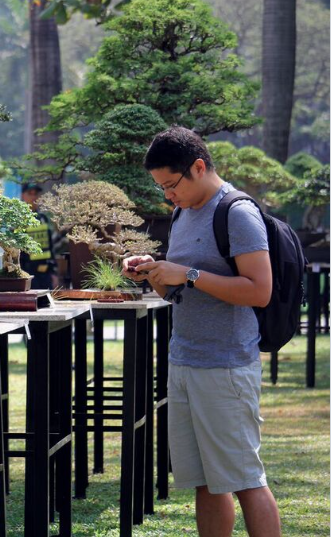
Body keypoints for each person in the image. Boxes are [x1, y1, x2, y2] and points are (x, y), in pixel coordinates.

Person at [122, 126, 281, 537]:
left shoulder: (237, 213)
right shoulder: (182, 213)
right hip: (185, 359)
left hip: (225, 366)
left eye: (171, 185)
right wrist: (153, 270)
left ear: (198, 167)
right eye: (161, 188)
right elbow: (175, 290)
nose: (168, 196)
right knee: (207, 481)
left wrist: (188, 273)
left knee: (245, 478)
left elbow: (259, 291)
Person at [20, 183, 64, 289]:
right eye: (30, 194)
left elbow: (50, 247)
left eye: (36, 194)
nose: (34, 197)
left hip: (45, 273)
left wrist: (53, 272)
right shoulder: (19, 219)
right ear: (23, 196)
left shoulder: (43, 218)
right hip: (26, 272)